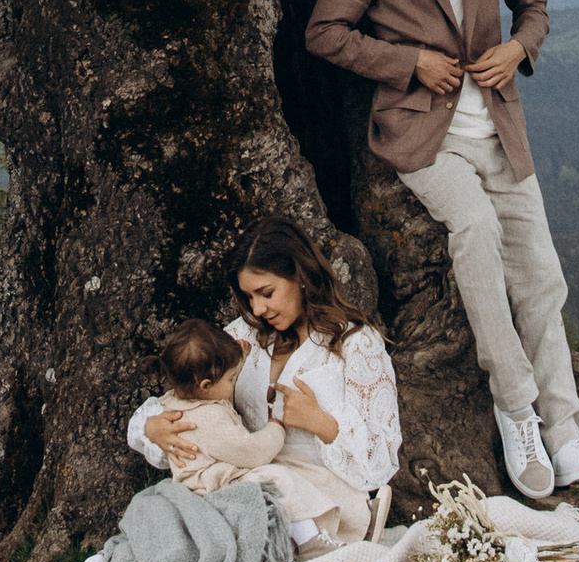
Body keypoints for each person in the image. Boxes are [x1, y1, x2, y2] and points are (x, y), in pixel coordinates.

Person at [305, 0, 579, 503]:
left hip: (501, 130)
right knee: (473, 229)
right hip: (424, 136)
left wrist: (516, 51)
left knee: (542, 278)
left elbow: (533, 6)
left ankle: (566, 437)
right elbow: (324, 31)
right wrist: (406, 62)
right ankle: (516, 414)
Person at [126, 216, 403, 531]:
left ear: (300, 276)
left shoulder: (355, 344)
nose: (256, 309)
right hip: (239, 497)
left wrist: (322, 424)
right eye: (248, 297)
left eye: (266, 293)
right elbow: (189, 400)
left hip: (319, 507)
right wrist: (153, 429)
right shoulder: (241, 337)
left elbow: (380, 462)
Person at [146, 315, 372, 544]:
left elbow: (221, 380)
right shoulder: (207, 418)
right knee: (280, 480)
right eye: (232, 379)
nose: (234, 382)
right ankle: (310, 542)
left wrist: (239, 356)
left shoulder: (179, 401)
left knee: (297, 465)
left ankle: (353, 514)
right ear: (206, 386)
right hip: (214, 488)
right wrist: (277, 427)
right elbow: (252, 452)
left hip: (224, 475)